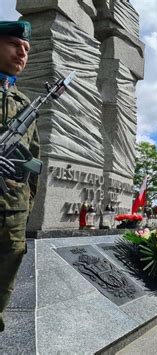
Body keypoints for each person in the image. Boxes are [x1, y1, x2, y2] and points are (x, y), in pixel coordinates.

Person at [0, 20, 40, 333]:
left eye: (26, 49)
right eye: (15, 44)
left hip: (12, 213)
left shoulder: (24, 104)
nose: (22, 53)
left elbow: (33, 158)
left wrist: (24, 203)